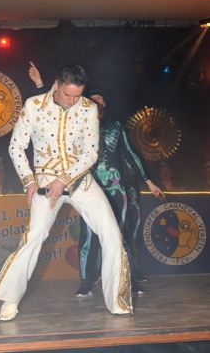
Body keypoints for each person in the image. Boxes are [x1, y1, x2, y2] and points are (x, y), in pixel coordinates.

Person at [0, 64, 133, 320]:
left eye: (77, 95)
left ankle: (117, 301)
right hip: (44, 179)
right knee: (35, 235)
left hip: (79, 179)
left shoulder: (88, 108)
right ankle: (11, 298)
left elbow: (90, 153)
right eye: (68, 95)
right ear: (56, 85)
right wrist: (29, 181)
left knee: (111, 232)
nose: (73, 100)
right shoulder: (34, 105)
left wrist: (63, 180)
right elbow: (16, 147)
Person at [28, 63, 165, 294]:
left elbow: (132, 154)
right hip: (88, 185)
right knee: (88, 236)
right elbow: (51, 112)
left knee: (119, 234)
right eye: (92, 99)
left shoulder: (116, 126)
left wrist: (149, 182)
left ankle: (126, 279)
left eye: (100, 99)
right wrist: (41, 85)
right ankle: (86, 281)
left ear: (105, 104)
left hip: (116, 188)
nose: (96, 103)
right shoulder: (76, 123)